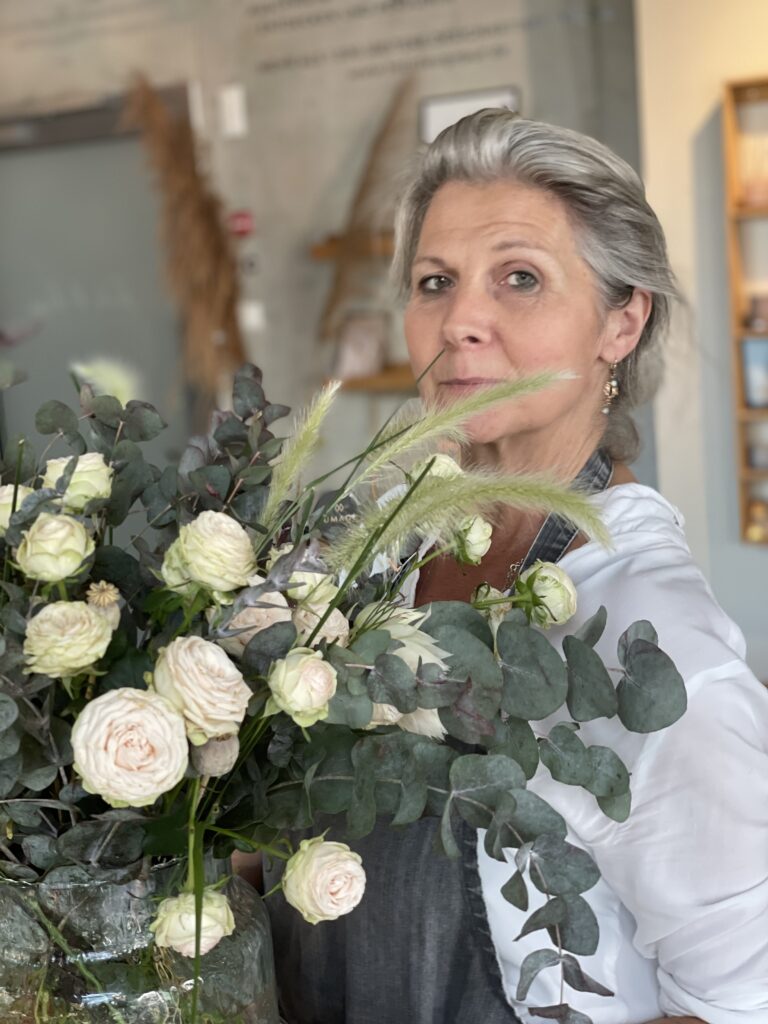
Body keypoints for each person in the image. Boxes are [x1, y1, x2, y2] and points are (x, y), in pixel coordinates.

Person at [264, 110, 768, 1024]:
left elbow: (743, 1001)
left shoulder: (656, 648)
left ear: (622, 322)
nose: (460, 320)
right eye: (435, 282)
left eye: (520, 279)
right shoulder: (375, 555)